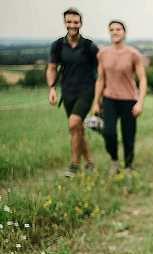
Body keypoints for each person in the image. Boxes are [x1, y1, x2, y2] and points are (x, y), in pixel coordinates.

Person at [46, 7, 98, 177]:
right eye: (69, 22)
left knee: (74, 124)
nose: (72, 25)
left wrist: (100, 97)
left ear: (81, 23)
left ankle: (74, 165)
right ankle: (90, 162)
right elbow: (52, 68)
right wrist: (52, 88)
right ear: (65, 23)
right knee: (78, 129)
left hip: (86, 91)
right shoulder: (58, 45)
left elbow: (101, 71)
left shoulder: (89, 46)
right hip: (67, 92)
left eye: (76, 22)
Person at [91, 20, 147, 174]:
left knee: (128, 135)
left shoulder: (133, 54)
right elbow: (100, 79)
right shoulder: (103, 53)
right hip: (109, 99)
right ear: (109, 32)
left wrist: (140, 103)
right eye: (112, 29)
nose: (115, 32)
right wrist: (96, 102)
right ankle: (114, 161)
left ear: (124, 32)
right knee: (109, 132)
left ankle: (128, 166)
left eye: (118, 29)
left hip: (129, 100)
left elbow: (142, 79)